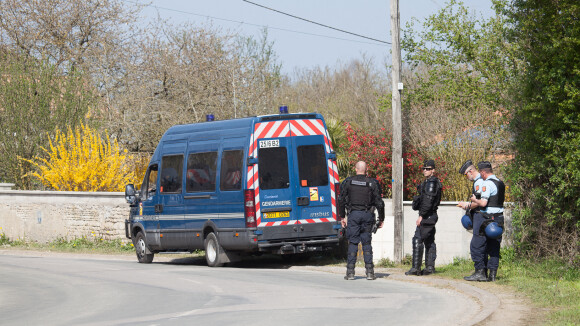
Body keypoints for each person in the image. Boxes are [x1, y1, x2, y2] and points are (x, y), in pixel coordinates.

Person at [338, 161, 385, 280]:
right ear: (366, 169)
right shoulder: (372, 183)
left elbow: (341, 200)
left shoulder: (348, 182)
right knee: (367, 243)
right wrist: (381, 218)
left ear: (355, 169)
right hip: (367, 215)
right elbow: (379, 202)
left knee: (353, 242)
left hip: (353, 215)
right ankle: (370, 272)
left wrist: (342, 217)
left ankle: (350, 273)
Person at [463, 161, 505, 282]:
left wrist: (474, 199)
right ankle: (492, 275)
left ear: (482, 172)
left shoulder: (487, 183)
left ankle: (480, 272)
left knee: (477, 245)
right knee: (494, 247)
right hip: (498, 218)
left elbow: (483, 203)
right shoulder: (500, 183)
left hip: (485, 218)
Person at [406, 159, 442, 276]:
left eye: (428, 169)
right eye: (424, 169)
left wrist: (421, 216)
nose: (425, 170)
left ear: (433, 170)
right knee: (429, 240)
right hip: (430, 215)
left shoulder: (431, 183)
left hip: (428, 215)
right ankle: (429, 268)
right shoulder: (429, 182)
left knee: (418, 239)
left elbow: (428, 201)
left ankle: (416, 268)